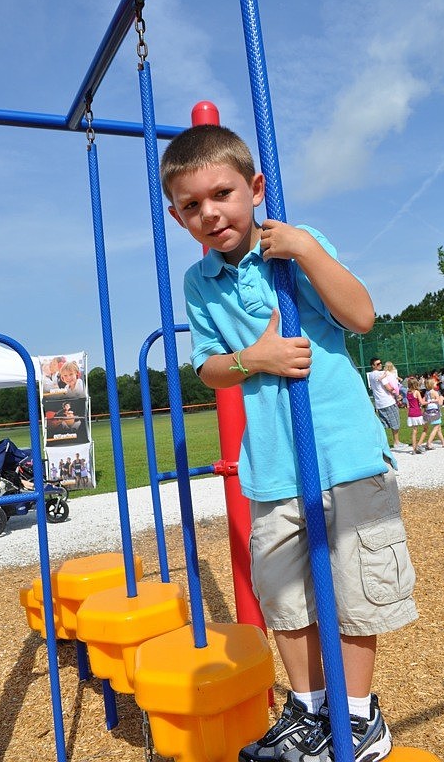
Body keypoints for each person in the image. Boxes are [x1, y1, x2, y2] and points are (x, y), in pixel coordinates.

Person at [161, 124, 417, 762]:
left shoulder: (298, 244)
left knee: (358, 589)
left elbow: (360, 316)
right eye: (192, 206)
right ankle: (309, 710)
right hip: (274, 462)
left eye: (221, 193)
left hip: (345, 452)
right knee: (284, 595)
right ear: (177, 216)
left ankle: (358, 717)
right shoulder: (201, 283)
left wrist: (303, 248)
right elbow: (209, 368)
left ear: (255, 187)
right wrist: (257, 356)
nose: (209, 212)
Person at [369, 357, 405, 449]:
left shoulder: (371, 375)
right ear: (373, 366)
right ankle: (396, 442)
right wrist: (397, 393)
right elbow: (388, 388)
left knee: (383, 424)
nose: (380, 365)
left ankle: (380, 444)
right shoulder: (381, 374)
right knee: (395, 422)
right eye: (377, 364)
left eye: (380, 363)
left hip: (379, 403)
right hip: (388, 401)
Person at [423, 378, 444, 449]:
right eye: (435, 383)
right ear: (432, 385)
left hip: (429, 411)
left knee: (438, 428)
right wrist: (442, 398)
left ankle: (443, 442)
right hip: (435, 411)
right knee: (436, 427)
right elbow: (440, 403)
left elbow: (425, 401)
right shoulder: (435, 392)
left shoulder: (427, 392)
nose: (436, 384)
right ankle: (429, 443)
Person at [406, 376, 427, 454]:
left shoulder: (408, 392)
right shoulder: (416, 392)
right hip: (417, 413)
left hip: (411, 413)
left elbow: (408, 404)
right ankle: (419, 445)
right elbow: (422, 402)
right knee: (425, 428)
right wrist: (430, 401)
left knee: (414, 431)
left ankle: (414, 449)